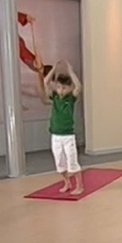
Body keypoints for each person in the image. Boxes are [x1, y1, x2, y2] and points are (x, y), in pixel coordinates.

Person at [42, 60, 84, 195]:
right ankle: (67, 183)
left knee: (72, 161)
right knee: (60, 163)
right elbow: (45, 82)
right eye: (59, 87)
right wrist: (54, 69)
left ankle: (80, 186)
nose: (61, 90)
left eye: (64, 88)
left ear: (69, 88)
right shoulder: (54, 97)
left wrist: (70, 71)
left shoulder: (71, 98)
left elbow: (78, 86)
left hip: (68, 136)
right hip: (56, 135)